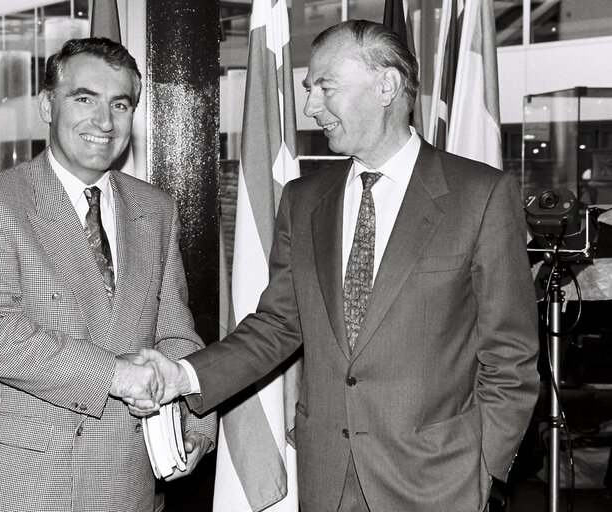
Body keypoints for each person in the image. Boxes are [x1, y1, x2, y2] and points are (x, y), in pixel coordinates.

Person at [132, 20, 540, 512]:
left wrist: (484, 467)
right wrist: (183, 376)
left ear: (386, 85)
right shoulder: (304, 200)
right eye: (308, 90)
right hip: (326, 476)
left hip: (439, 480)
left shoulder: (482, 195)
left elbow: (510, 355)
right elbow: (277, 325)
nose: (310, 107)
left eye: (325, 86)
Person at [0, 37, 216, 512]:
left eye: (120, 104)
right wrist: (117, 376)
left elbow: (175, 333)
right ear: (47, 105)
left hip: (131, 484)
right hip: (24, 488)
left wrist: (193, 422)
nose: (104, 122)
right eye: (84, 99)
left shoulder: (156, 209)